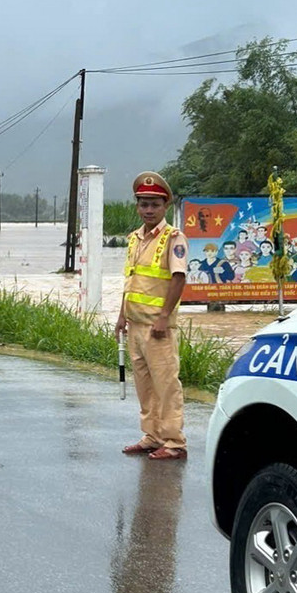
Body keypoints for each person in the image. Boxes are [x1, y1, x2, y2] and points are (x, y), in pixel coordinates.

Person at [115, 171, 188, 461]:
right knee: (144, 385)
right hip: (135, 325)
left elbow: (178, 279)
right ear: (137, 206)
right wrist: (121, 316)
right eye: (143, 204)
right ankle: (152, 435)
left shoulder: (173, 238)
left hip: (159, 328)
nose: (148, 210)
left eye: (154, 204)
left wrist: (164, 316)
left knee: (166, 385)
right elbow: (130, 281)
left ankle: (174, 441)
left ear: (165, 206)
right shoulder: (134, 239)